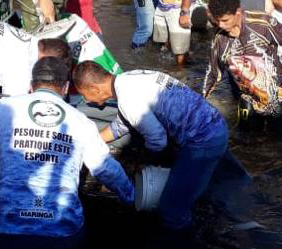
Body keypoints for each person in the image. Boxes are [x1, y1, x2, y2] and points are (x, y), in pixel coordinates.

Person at [0, 57, 134, 249]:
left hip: (12, 230)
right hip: (64, 232)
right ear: (66, 88)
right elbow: (106, 169)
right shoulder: (80, 120)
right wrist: (132, 198)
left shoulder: (5, 108)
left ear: (31, 86)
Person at [73, 61, 230, 233]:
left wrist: (143, 163)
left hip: (203, 140)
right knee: (209, 190)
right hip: (213, 124)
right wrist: (88, 140)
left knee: (171, 212)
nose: (87, 101)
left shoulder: (127, 100)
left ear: (95, 89)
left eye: (85, 95)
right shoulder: (127, 79)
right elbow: (123, 124)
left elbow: (158, 140)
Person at [204, 0, 282, 126]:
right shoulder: (220, 40)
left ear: (238, 12)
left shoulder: (262, 23)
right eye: (217, 21)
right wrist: (199, 103)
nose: (221, 25)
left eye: (225, 20)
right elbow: (213, 74)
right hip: (248, 100)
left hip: (279, 95)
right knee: (247, 143)